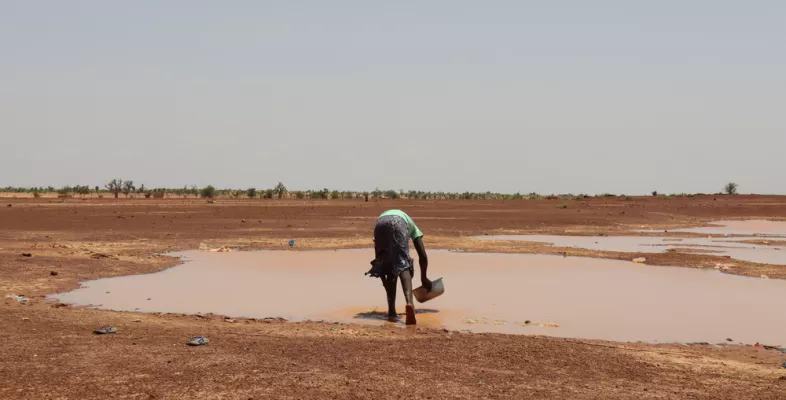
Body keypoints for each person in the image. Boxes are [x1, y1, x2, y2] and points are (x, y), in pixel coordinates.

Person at [366, 209, 432, 325]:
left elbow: (379, 257)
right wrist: (424, 278)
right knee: (403, 263)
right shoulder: (413, 228)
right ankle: (409, 303)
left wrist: (383, 278)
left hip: (380, 224)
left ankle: (391, 312)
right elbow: (423, 256)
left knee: (388, 266)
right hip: (398, 222)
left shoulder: (384, 218)